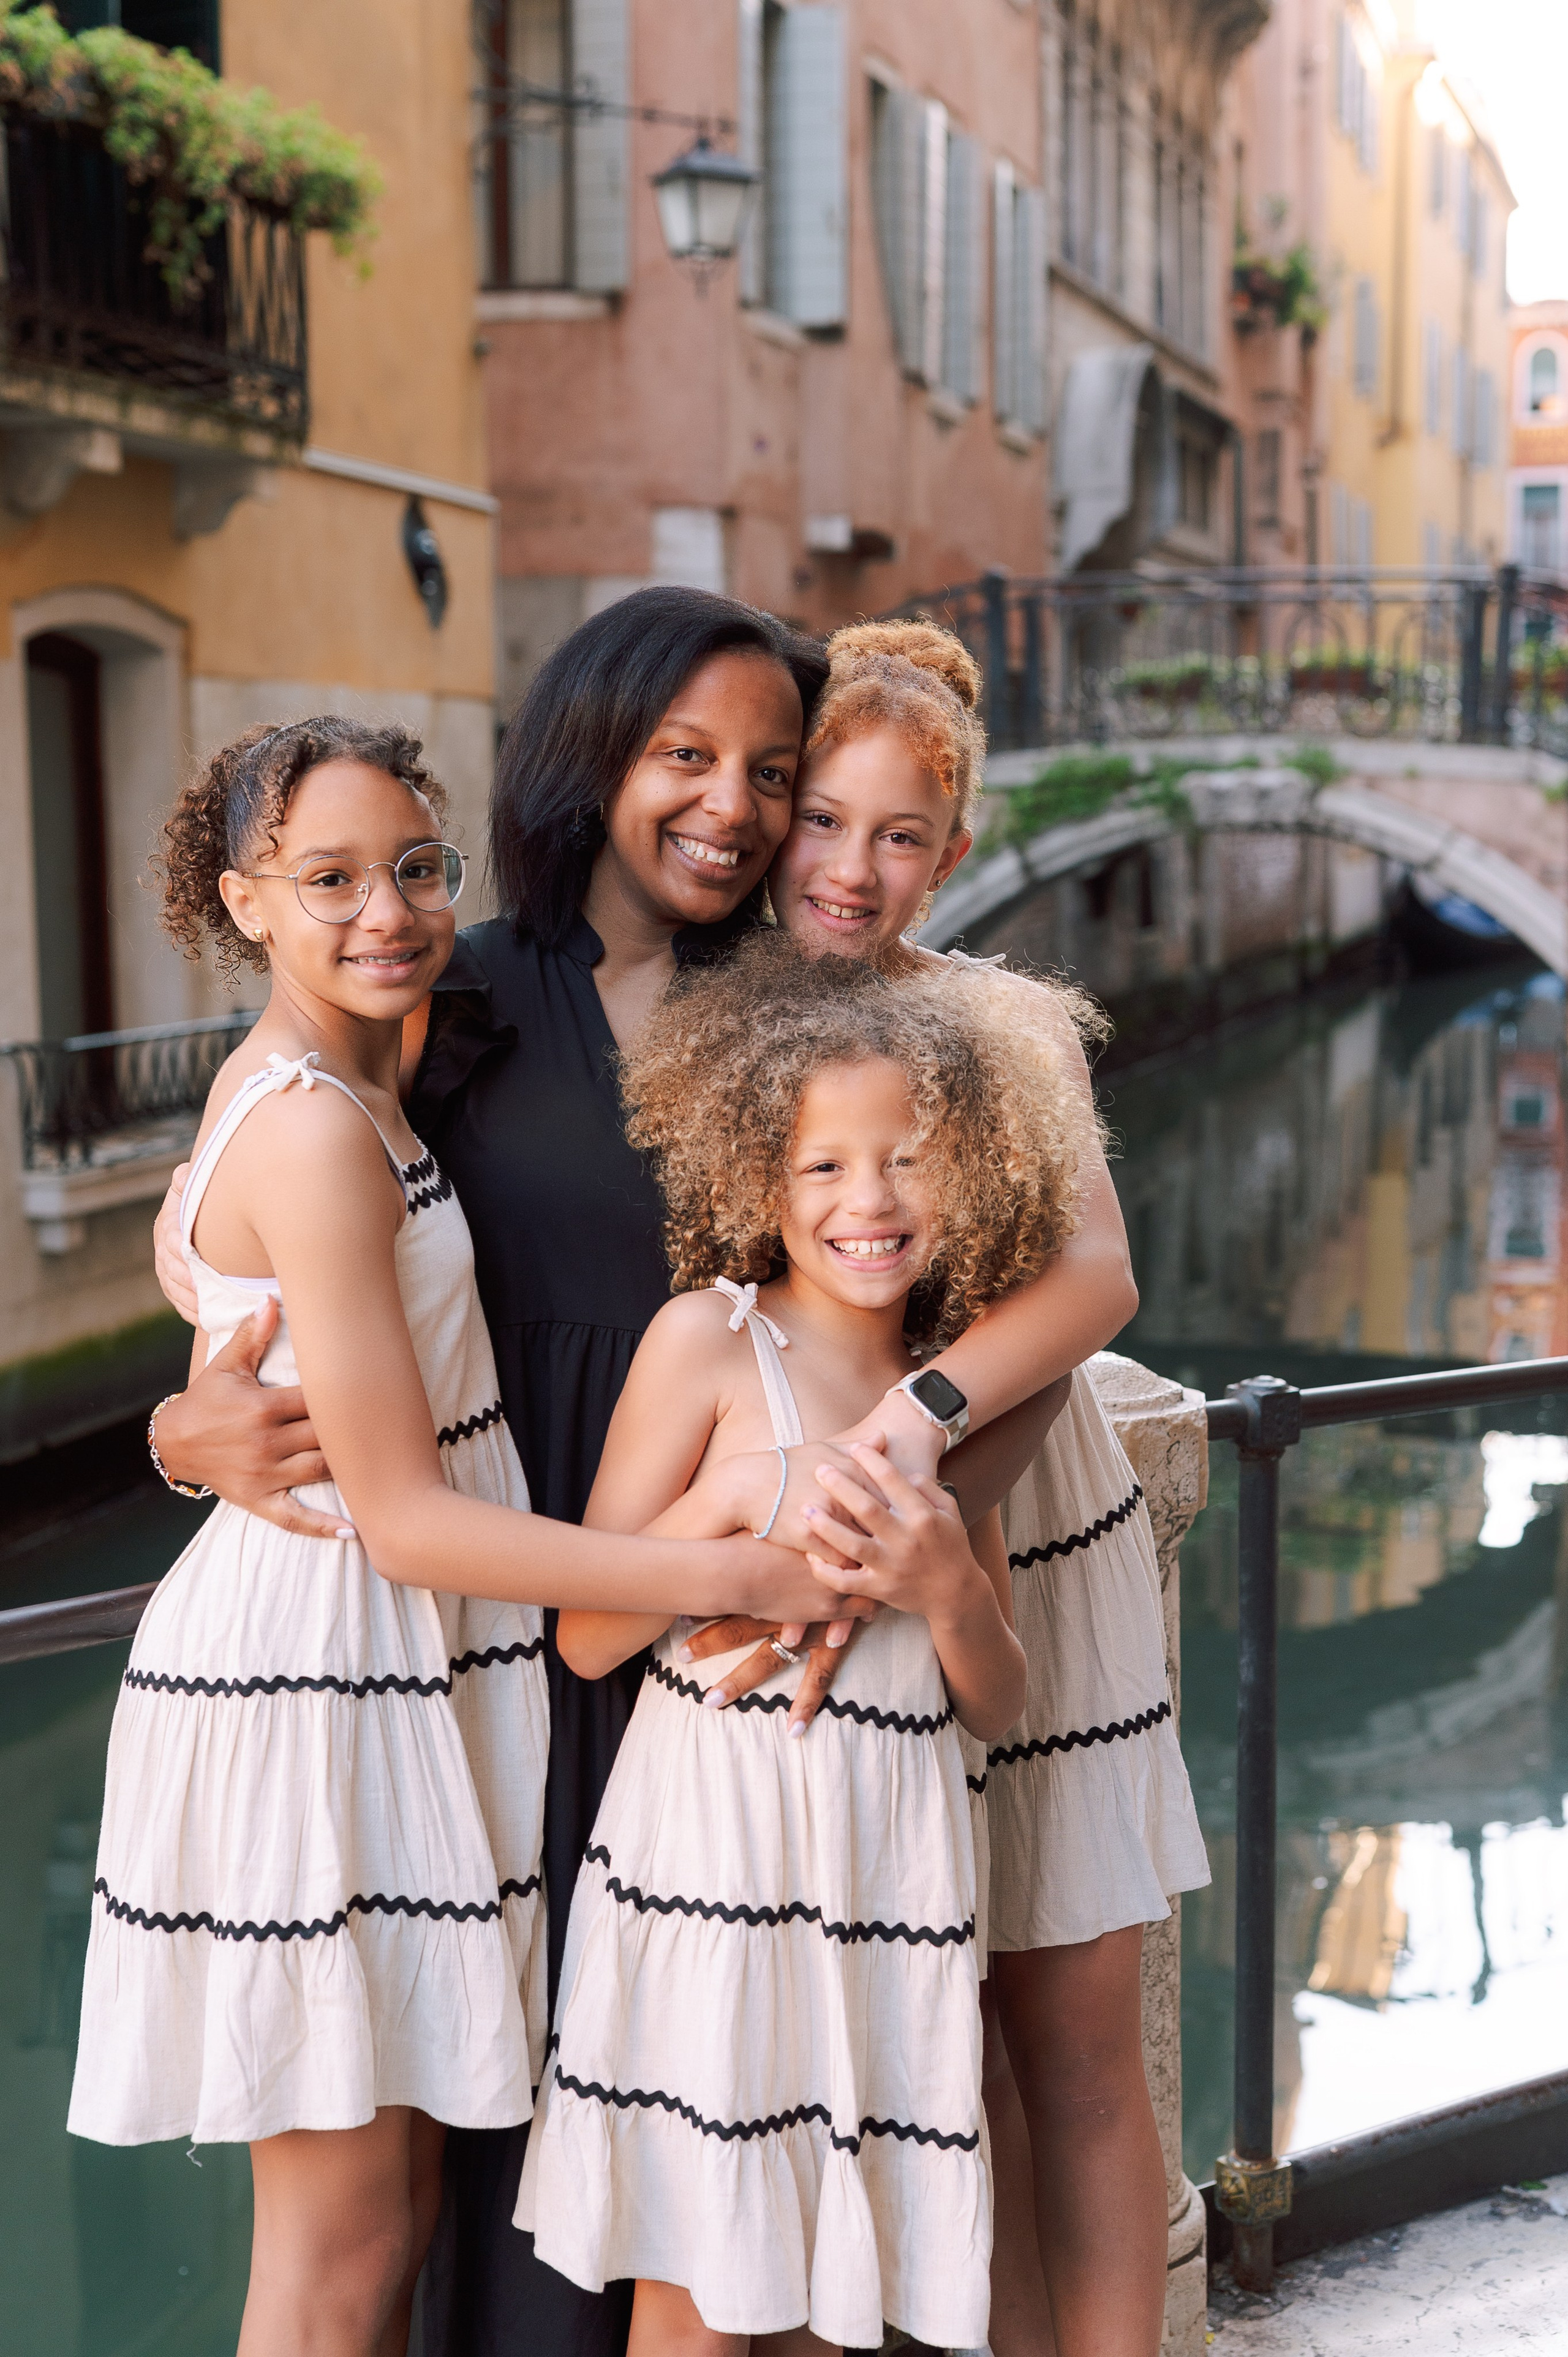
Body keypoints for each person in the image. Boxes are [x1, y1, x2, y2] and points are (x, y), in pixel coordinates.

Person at [145, 590, 1146, 2357]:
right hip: (519, 1619)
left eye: (773, 770)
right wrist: (179, 1415)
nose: (737, 806)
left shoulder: (817, 1008)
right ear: (594, 750)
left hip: (735, 1665)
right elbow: (270, 1185)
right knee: (486, 2131)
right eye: (688, 756)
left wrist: (909, 1531)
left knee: (745, 2158)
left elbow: (1018, 1306)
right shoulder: (441, 992)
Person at [80, 717, 856, 2357]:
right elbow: (413, 1522)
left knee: (397, 2220)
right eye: (332, 880)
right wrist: (722, 1572)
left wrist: (178, 1414)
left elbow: (214, 1287)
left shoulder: (375, 1065)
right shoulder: (306, 1122)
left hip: (386, 1668)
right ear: (245, 902)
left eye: (418, 870)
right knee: (343, 2248)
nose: (388, 911)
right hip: (320, 1671)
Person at [688, 620, 1209, 2357]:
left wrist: (911, 1427)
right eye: (821, 820)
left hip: (1032, 1558)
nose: (852, 867)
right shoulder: (720, 1015)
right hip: (814, 1590)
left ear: (956, 849)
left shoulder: (998, 1020)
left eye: (898, 835)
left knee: (1070, 2050)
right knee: (922, 2057)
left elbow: (1096, 1283)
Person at [520, 933, 1093, 2354]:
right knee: (704, 2288)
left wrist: (941, 1573)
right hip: (715, 1870)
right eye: (822, 1166)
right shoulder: (706, 1347)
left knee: (836, 2293)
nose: (868, 1200)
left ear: (970, 1169)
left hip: (884, 1871)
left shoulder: (941, 1397)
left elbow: (1000, 1702)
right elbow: (588, 1637)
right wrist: (726, 1514)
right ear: (755, 1181)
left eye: (907, 1158)